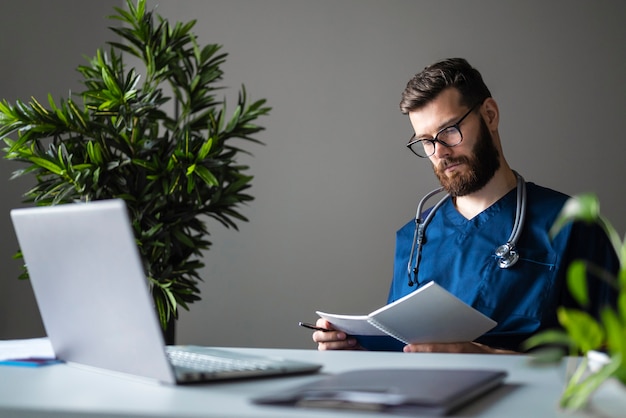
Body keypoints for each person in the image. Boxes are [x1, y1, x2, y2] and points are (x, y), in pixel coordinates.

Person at [313, 58, 617, 354]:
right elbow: (405, 351)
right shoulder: (413, 240)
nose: (440, 152)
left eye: (449, 130)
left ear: (490, 115)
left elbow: (612, 359)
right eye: (426, 141)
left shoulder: (570, 225)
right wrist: (356, 349)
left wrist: (492, 358)